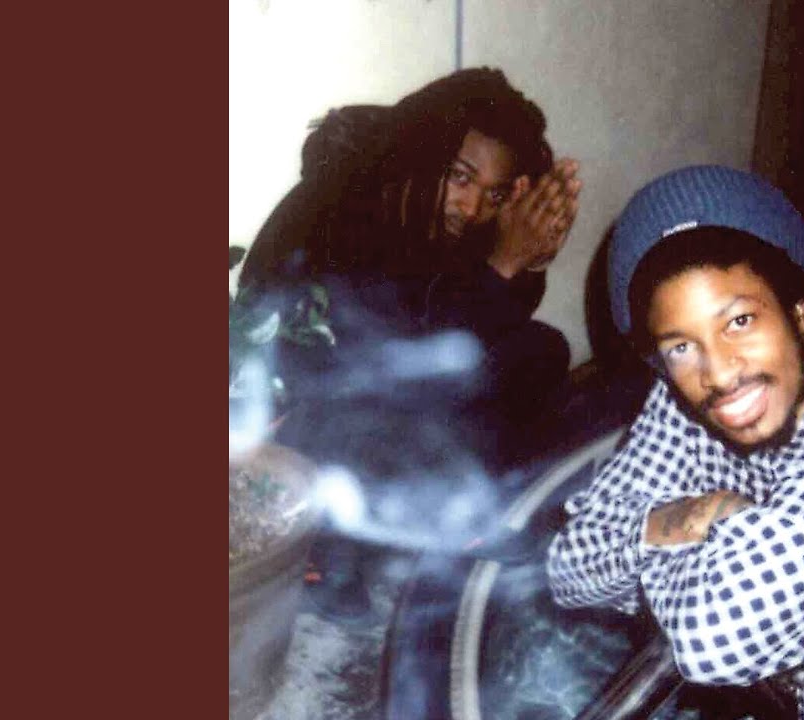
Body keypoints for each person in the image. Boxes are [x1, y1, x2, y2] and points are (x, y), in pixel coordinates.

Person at [546, 166, 804, 718]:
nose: (719, 374)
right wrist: (702, 514)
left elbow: (716, 635)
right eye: (681, 346)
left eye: (739, 321)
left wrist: (676, 543)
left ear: (799, 313)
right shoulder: (683, 403)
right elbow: (569, 567)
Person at [236, 68, 582, 620]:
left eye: (494, 195)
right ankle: (324, 556)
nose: (472, 207)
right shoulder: (346, 209)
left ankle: (448, 514)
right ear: (427, 152)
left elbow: (473, 320)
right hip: (293, 423)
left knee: (540, 351)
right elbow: (399, 361)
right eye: (461, 178)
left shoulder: (417, 206)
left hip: (372, 399)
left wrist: (525, 263)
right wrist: (504, 262)